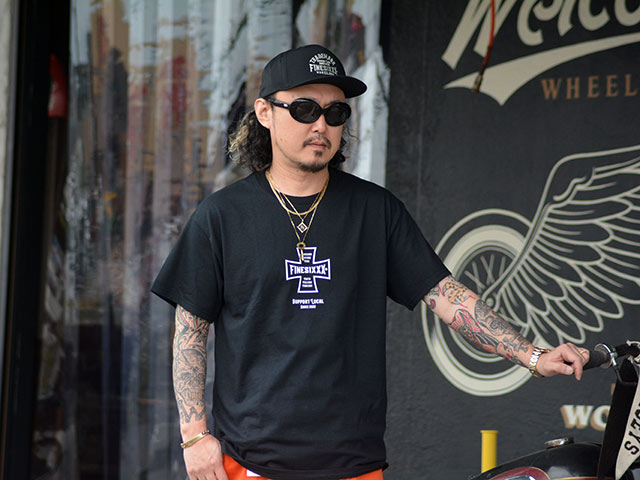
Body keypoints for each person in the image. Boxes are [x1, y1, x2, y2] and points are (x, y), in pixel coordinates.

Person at [151, 44, 589, 480]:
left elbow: (446, 296)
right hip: (249, 463)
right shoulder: (222, 216)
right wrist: (194, 436)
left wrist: (533, 355)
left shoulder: (375, 210)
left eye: (336, 113)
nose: (321, 124)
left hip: (353, 464)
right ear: (265, 112)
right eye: (304, 109)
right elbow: (190, 328)